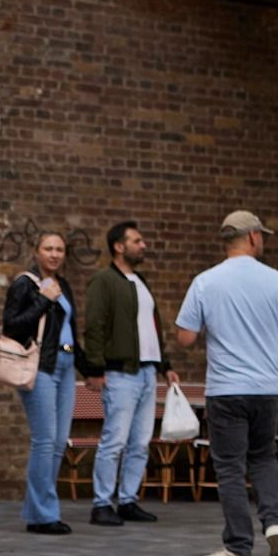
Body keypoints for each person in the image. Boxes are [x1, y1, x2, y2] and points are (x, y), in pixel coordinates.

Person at [174, 211, 278, 556]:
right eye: (262, 235)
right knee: (263, 456)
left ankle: (238, 548)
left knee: (230, 466)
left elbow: (184, 337)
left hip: (226, 388)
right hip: (267, 387)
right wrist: (277, 370)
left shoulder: (205, 282)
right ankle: (274, 522)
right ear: (252, 238)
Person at [81, 221, 178, 526]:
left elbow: (153, 330)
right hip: (120, 374)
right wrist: (94, 369)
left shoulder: (141, 282)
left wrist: (166, 366)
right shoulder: (104, 281)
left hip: (148, 372)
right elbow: (94, 327)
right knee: (115, 440)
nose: (144, 245)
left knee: (140, 443)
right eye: (137, 241)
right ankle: (101, 504)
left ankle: (127, 500)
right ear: (119, 246)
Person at [1, 232, 79, 535]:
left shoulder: (64, 285)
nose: (55, 254)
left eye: (60, 249)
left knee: (59, 443)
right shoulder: (24, 283)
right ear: (36, 251)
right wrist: (43, 302)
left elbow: (71, 331)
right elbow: (12, 324)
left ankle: (40, 511)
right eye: (48, 248)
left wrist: (90, 368)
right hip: (40, 366)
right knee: (45, 441)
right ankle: (43, 515)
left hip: (66, 365)